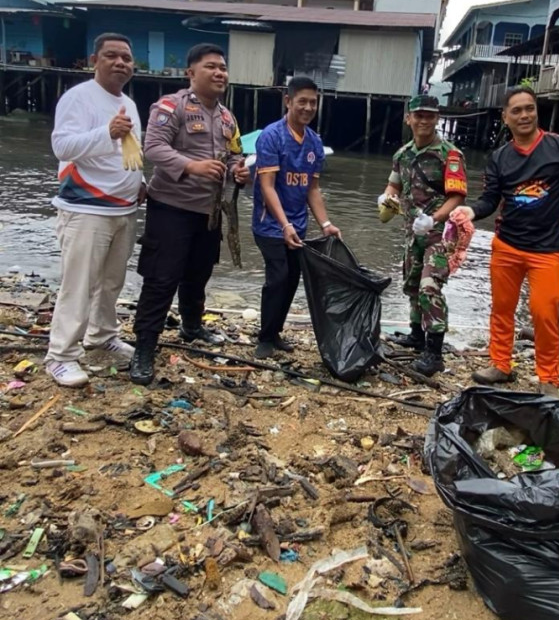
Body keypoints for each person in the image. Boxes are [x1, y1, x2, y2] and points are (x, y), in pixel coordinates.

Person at [453, 86, 559, 396]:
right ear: (505, 117)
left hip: (549, 249)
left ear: (536, 111)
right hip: (507, 246)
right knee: (501, 308)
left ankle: (548, 378)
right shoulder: (500, 158)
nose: (524, 115)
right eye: (516, 110)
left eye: (529, 108)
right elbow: (490, 200)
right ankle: (501, 364)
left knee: (545, 311)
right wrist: (470, 210)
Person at [129, 43, 249, 385]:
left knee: (198, 274)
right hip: (171, 208)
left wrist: (238, 171)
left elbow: (232, 158)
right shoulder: (171, 106)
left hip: (208, 213)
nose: (219, 73)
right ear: (190, 73)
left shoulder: (228, 117)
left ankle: (192, 326)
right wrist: (192, 166)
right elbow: (153, 148)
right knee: (161, 278)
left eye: (223, 67)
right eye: (211, 66)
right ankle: (144, 347)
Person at [46, 33, 144, 387]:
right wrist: (107, 132)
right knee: (79, 284)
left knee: (111, 281)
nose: (120, 63)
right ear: (94, 61)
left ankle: (102, 334)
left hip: (124, 208)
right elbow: (62, 147)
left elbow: (131, 150)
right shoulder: (78, 98)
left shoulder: (129, 104)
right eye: (111, 56)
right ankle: (61, 355)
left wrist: (141, 182)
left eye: (126, 58)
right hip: (86, 208)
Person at [252, 75, 340, 360]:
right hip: (270, 225)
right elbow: (267, 187)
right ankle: (264, 338)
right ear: (288, 101)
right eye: (302, 101)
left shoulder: (314, 142)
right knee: (277, 278)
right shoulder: (271, 136)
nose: (308, 107)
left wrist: (325, 224)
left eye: (313, 102)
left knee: (292, 280)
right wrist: (284, 224)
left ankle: (275, 332)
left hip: (298, 226)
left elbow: (312, 189)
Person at [380, 94, 467, 376]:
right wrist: (385, 199)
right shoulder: (402, 154)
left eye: (430, 116)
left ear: (437, 119)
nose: (424, 121)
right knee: (412, 285)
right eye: (419, 115)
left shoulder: (449, 154)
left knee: (430, 286)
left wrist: (434, 218)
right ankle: (416, 335)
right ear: (409, 118)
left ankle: (434, 352)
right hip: (411, 233)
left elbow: (457, 196)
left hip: (440, 234)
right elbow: (394, 186)